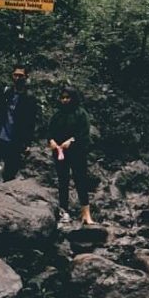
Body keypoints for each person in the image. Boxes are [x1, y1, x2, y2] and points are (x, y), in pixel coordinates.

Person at [0, 65, 38, 191]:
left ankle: (5, 204)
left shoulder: (29, 98)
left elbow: (30, 122)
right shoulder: (6, 92)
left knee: (10, 172)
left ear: (26, 77)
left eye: (20, 75)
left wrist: (28, 143)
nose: (17, 78)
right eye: (15, 75)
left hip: (15, 140)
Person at [47, 85, 94, 224]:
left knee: (81, 180)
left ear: (73, 98)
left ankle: (86, 213)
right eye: (63, 98)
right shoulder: (57, 115)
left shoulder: (80, 113)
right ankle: (64, 212)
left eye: (68, 98)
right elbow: (50, 131)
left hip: (77, 152)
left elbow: (84, 133)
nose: (65, 100)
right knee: (63, 181)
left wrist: (72, 140)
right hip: (60, 153)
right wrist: (52, 141)